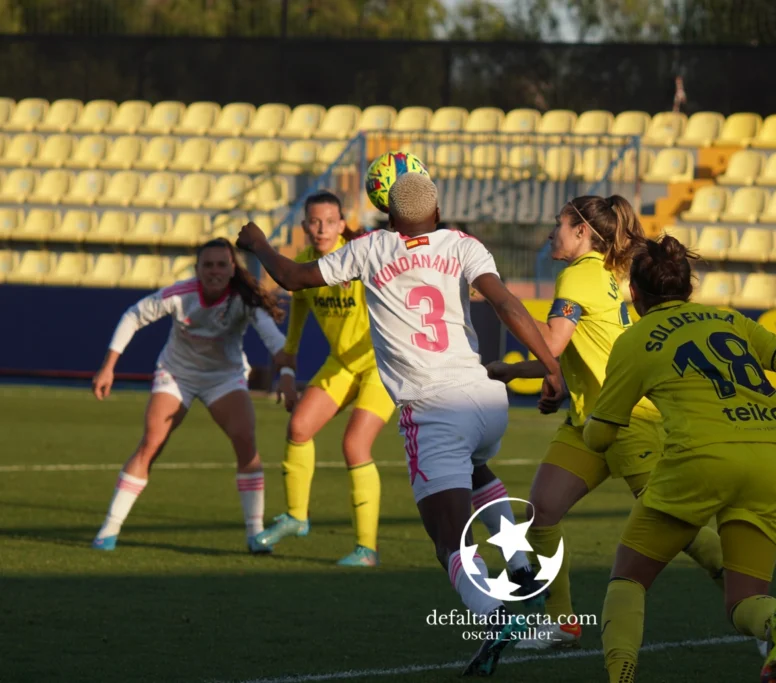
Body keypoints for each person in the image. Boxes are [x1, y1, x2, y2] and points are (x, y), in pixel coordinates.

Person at [236, 172, 567, 677]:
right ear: (436, 213)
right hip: (485, 399)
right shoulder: (462, 243)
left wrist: (258, 242)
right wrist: (549, 365)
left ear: (388, 215)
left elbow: (293, 278)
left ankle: (493, 614)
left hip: (432, 409)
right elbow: (504, 303)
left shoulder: (371, 248)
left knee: (447, 540)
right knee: (477, 468)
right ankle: (521, 568)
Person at [582, 236, 776, 683]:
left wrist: (585, 424)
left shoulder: (635, 338)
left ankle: (620, 674)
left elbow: (602, 434)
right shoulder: (728, 319)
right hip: (770, 455)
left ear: (634, 293)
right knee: (743, 603)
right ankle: (774, 620)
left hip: (701, 457)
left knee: (629, 578)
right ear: (687, 287)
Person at [485, 196, 724, 649]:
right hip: (590, 422)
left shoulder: (579, 274)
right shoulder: (614, 272)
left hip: (627, 420)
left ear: (582, 233)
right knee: (542, 514)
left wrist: (502, 304)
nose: (550, 234)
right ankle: (562, 623)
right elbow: (575, 346)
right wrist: (520, 372)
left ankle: (745, 589)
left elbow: (552, 343)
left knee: (676, 524)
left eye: (558, 225)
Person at [91, 238, 290, 554]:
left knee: (246, 443)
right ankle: (109, 529)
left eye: (221, 265)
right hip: (177, 375)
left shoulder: (245, 300)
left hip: (224, 378)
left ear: (231, 269)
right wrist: (108, 368)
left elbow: (276, 342)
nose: (214, 271)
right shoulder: (179, 294)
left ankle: (255, 533)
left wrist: (288, 376)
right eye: (207, 265)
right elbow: (133, 315)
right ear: (197, 269)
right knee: (151, 442)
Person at [252, 191, 395, 567]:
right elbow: (295, 326)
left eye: (329, 221)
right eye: (314, 222)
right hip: (341, 363)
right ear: (303, 227)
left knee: (354, 445)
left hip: (380, 365)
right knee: (298, 427)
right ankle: (297, 517)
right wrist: (286, 371)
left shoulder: (363, 254)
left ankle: (367, 550)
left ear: (342, 224)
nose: (321, 229)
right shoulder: (302, 266)